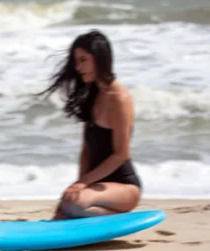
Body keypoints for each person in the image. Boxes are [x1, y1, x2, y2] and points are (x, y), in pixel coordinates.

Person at [36, 30, 142, 220]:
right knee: (70, 202)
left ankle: (117, 217)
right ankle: (81, 212)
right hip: (98, 187)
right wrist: (77, 185)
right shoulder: (93, 95)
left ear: (100, 59)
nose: (78, 67)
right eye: (76, 61)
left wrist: (82, 184)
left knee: (75, 204)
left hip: (124, 187)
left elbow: (121, 154)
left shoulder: (119, 98)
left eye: (83, 60)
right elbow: (86, 149)